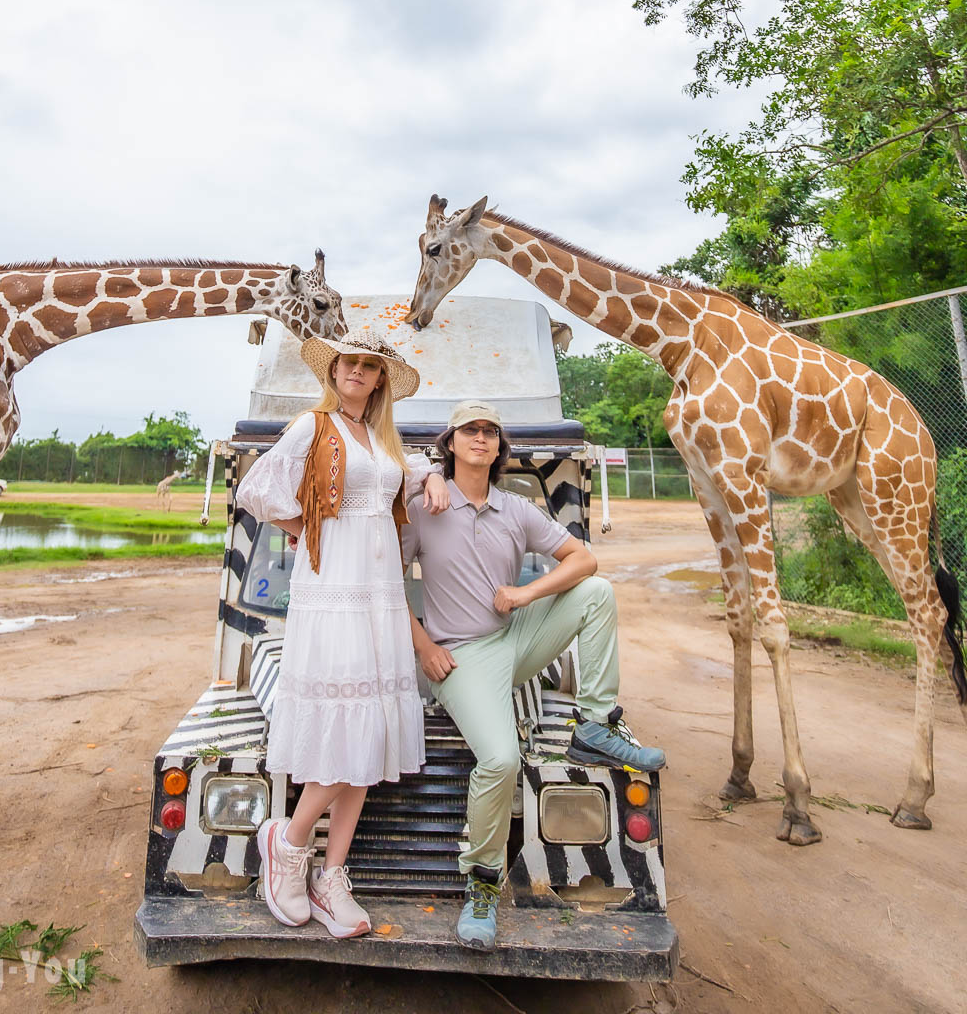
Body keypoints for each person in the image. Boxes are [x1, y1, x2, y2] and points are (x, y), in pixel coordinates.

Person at [401, 399, 666, 952]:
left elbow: (582, 559)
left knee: (595, 592)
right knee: (499, 760)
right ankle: (481, 883)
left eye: (490, 431)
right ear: (450, 443)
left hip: (516, 636)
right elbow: (383, 582)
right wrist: (423, 644)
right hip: (460, 656)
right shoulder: (425, 506)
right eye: (469, 430)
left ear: (499, 447)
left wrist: (525, 592)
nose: (480, 438)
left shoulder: (515, 508)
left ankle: (595, 724)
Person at [237, 331, 449, 940]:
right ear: (334, 372)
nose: (356, 372)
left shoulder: (382, 438)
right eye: (348, 363)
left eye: (368, 366)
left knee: (370, 729)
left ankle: (331, 877)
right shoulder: (312, 424)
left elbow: (407, 478)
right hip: (333, 590)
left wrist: (431, 475)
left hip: (380, 591)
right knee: (349, 724)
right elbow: (255, 489)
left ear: (380, 379)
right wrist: (299, 527)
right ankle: (290, 840)